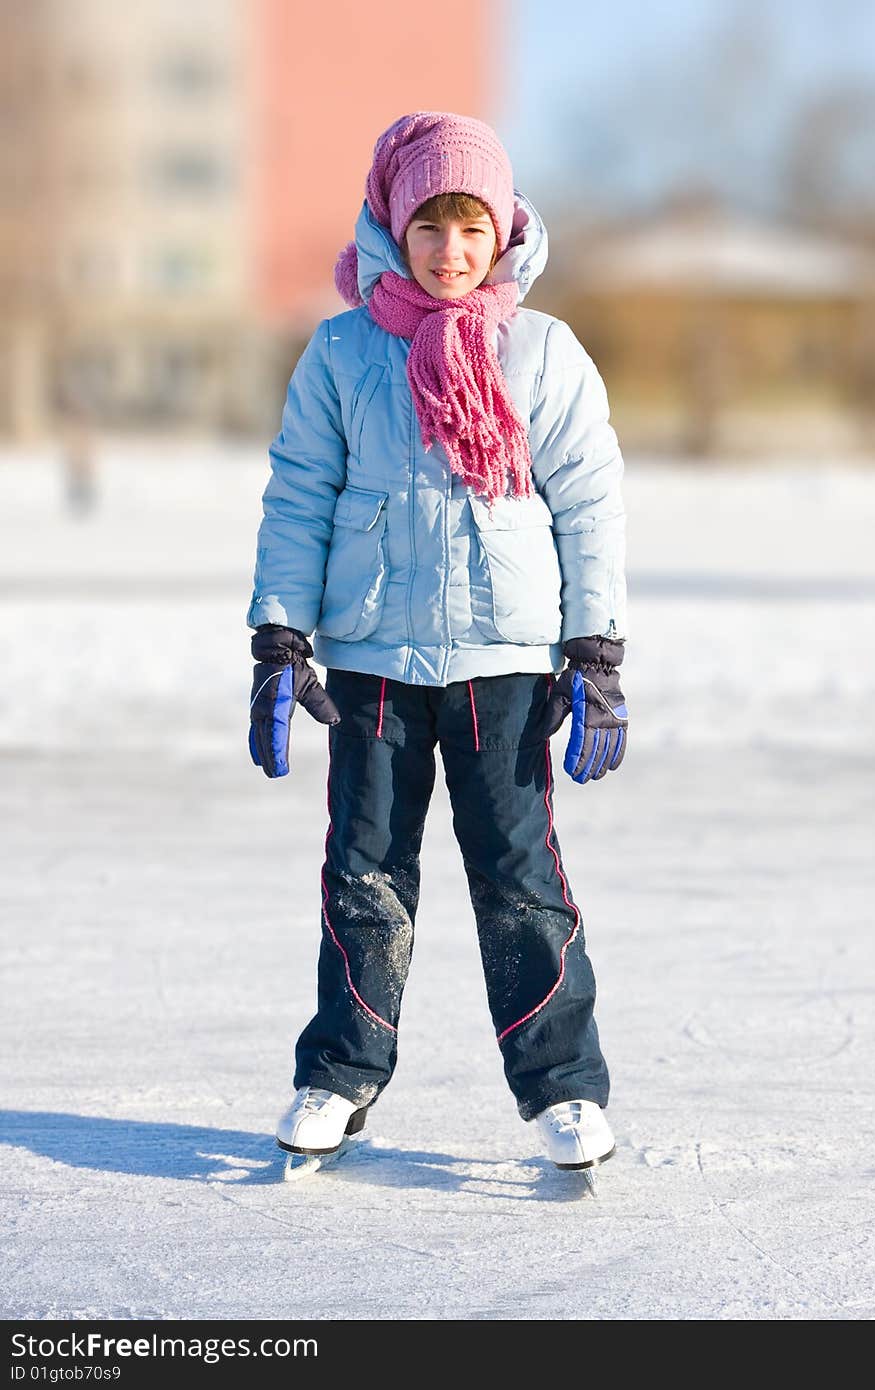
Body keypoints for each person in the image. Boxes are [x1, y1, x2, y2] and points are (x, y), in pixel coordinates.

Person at [246, 112, 628, 1176]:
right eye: (428, 224)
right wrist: (280, 633)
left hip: (502, 664)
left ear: (501, 230)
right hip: (372, 660)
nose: (450, 249)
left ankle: (561, 1088)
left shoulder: (541, 351)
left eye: (470, 225)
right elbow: (299, 495)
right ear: (392, 225)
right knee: (364, 870)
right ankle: (340, 1073)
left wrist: (593, 648)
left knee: (518, 875)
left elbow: (589, 502)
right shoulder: (340, 351)